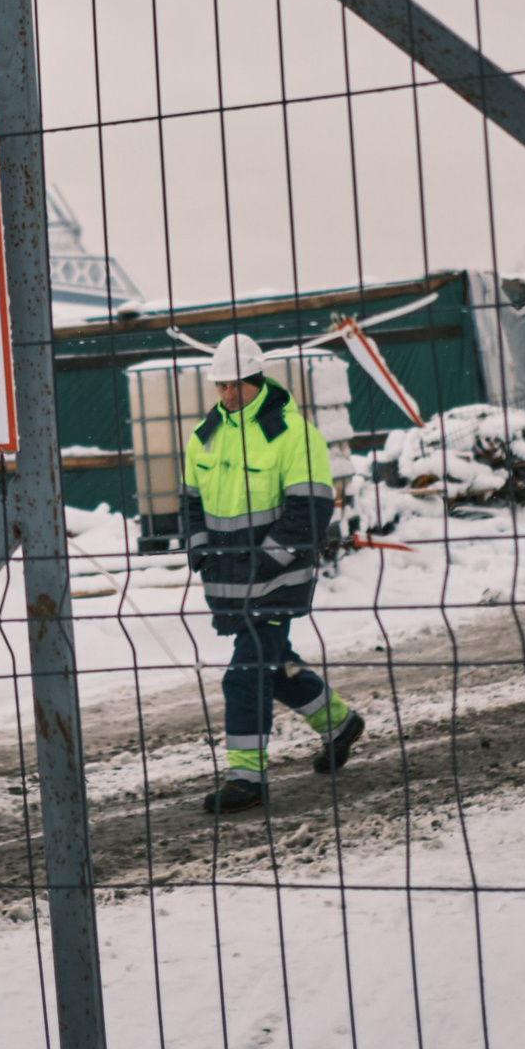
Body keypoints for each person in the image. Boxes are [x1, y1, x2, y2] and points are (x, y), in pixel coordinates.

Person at [182, 333, 367, 814]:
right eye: (221, 385)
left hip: (275, 581)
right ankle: (341, 723)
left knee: (245, 675)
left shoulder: (293, 434)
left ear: (257, 379)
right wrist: (199, 549)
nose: (227, 394)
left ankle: (247, 778)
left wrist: (265, 559)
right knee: (274, 665)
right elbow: (191, 504)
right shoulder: (204, 436)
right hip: (227, 584)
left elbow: (311, 510)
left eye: (235, 384)